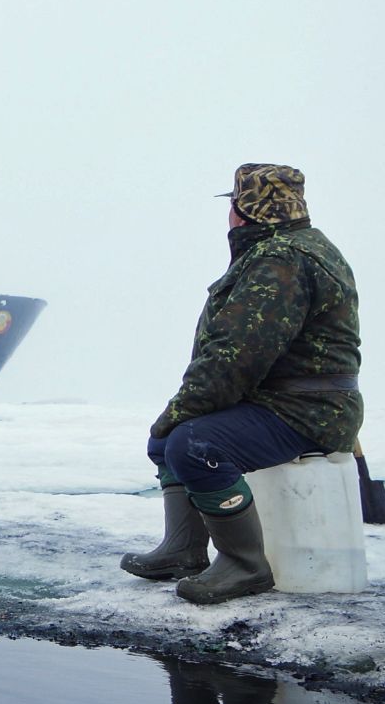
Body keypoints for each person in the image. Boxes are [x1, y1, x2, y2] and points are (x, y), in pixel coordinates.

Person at [123, 165, 362, 604]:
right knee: (169, 442)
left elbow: (236, 357)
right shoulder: (289, 250)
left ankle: (246, 565)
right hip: (289, 400)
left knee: (193, 444)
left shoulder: (281, 261)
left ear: (244, 211)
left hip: (306, 409)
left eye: (233, 204)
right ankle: (183, 551)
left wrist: (181, 411)